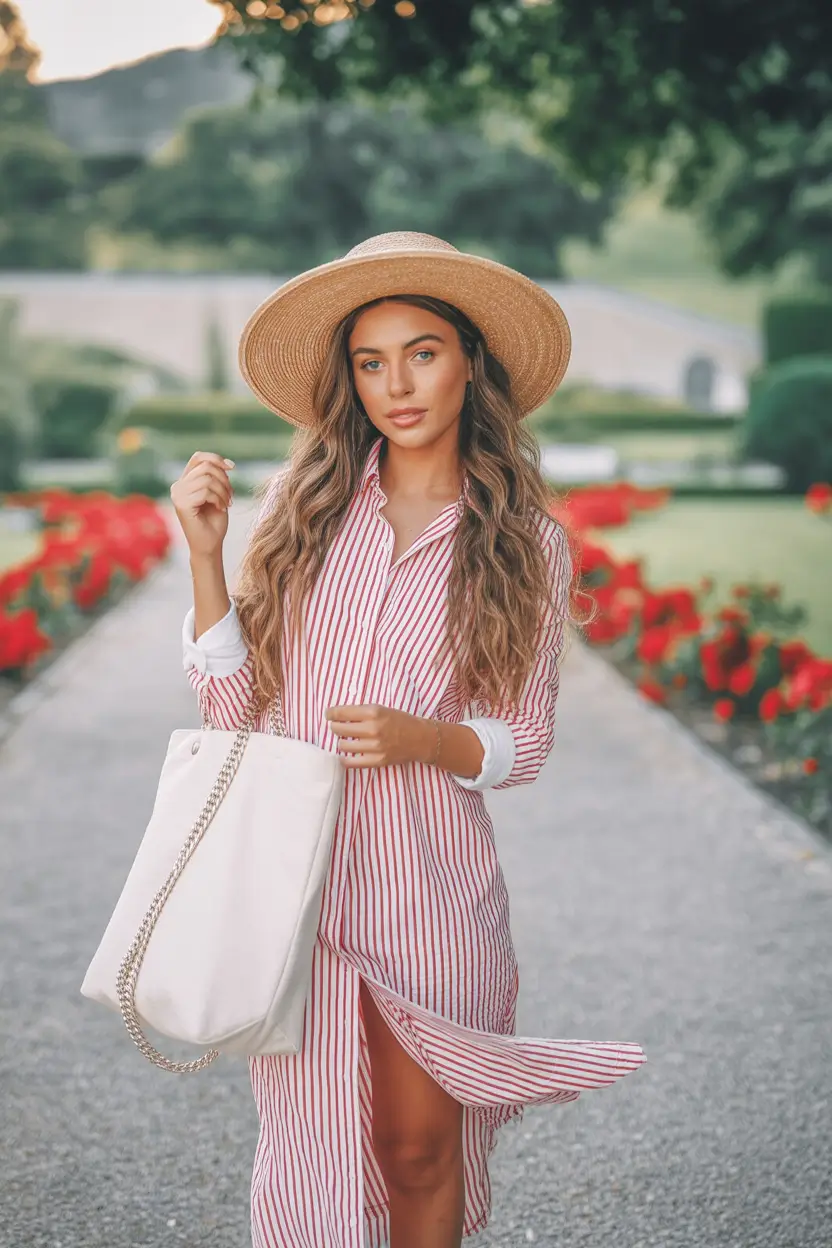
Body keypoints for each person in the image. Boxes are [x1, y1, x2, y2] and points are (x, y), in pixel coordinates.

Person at [171, 232, 646, 1248]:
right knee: (324, 1153)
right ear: (349, 378)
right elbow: (231, 708)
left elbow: (525, 743)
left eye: (422, 352)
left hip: (429, 893)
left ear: (470, 360)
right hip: (295, 896)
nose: (397, 383)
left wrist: (428, 739)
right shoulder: (299, 512)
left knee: (421, 1149)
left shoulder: (525, 543)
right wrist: (208, 559)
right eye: (370, 360)